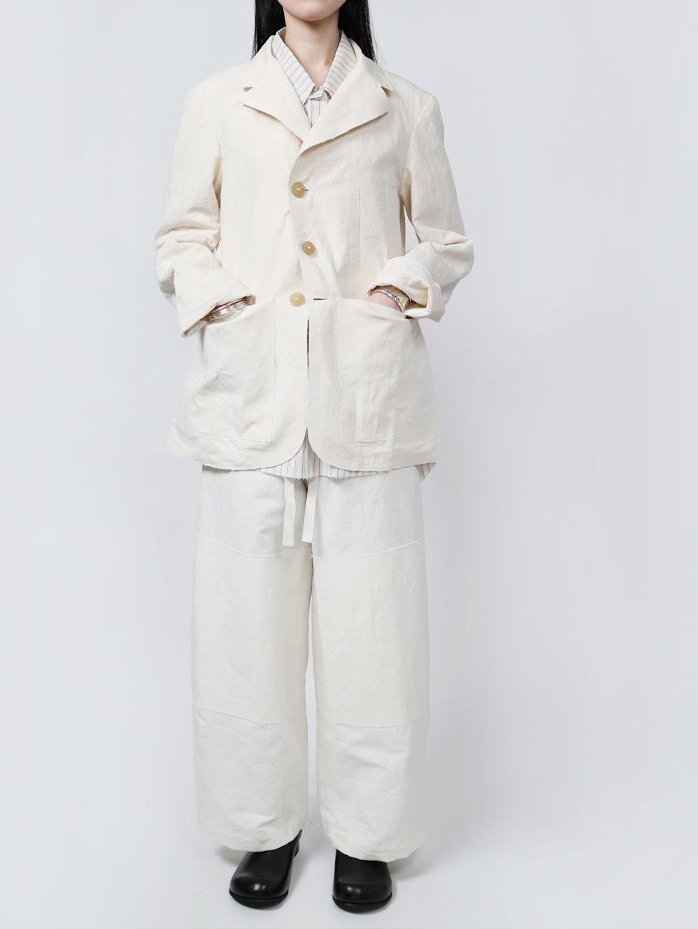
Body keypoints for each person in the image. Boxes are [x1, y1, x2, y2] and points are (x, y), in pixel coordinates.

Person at [154, 0, 473, 913]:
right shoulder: (218, 100)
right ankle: (264, 825)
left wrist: (394, 291)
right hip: (248, 396)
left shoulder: (405, 105)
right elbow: (180, 237)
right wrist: (224, 306)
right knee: (243, 630)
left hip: (364, 398)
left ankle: (367, 835)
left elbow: (445, 241)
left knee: (374, 629)